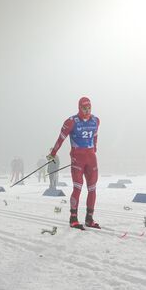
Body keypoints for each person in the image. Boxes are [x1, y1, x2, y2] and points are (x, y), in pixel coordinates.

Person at [48, 97, 100, 230]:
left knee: (92, 189)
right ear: (79, 107)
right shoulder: (71, 122)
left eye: (89, 107)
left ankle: (89, 218)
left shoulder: (95, 120)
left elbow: (95, 135)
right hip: (78, 158)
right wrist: (53, 153)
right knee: (78, 187)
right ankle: (73, 218)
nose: (87, 110)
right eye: (84, 108)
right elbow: (61, 138)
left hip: (91, 158)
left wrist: (94, 147)